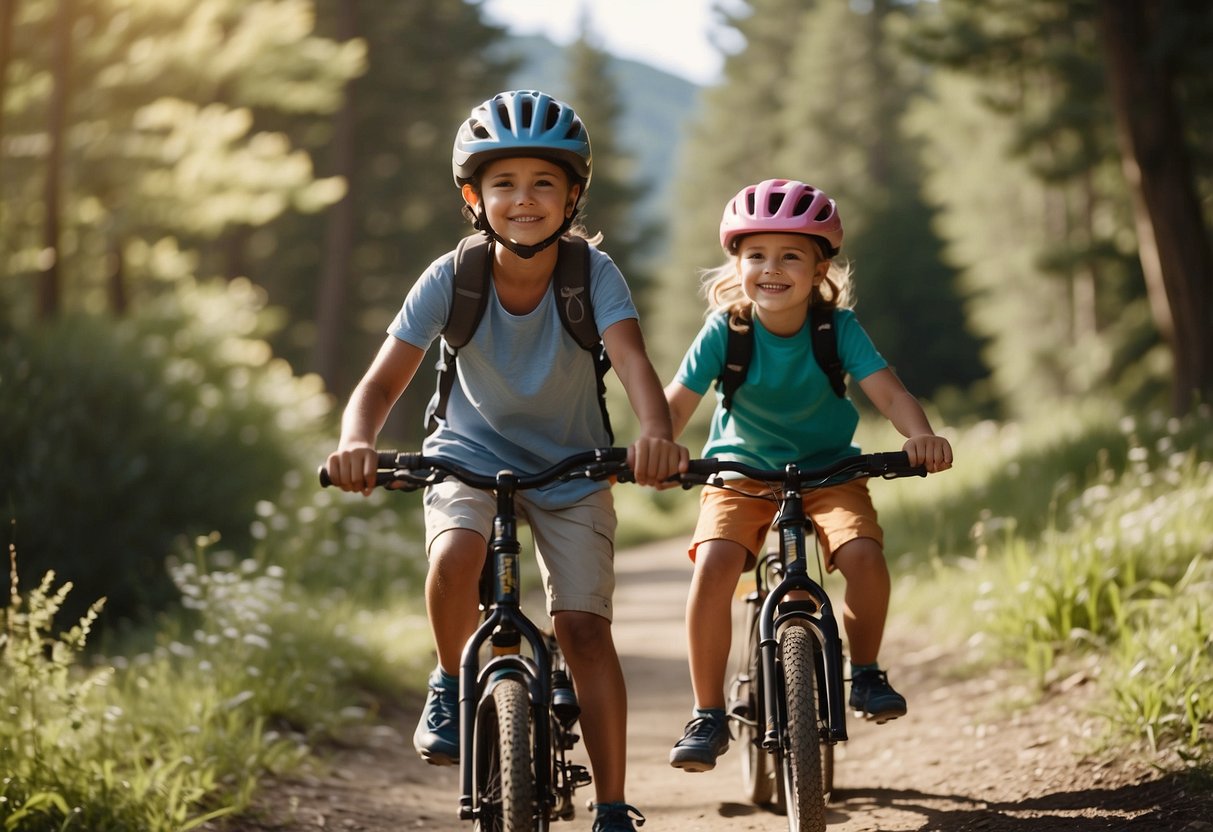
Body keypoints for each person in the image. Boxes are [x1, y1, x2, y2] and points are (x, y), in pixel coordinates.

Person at [325, 90, 685, 832]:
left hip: (574, 462)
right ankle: (447, 676)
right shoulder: (451, 278)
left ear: (572, 194)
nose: (524, 200)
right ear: (472, 195)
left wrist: (654, 434)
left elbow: (635, 367)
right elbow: (380, 383)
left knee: (582, 628)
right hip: (466, 453)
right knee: (455, 553)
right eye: (504, 184)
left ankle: (613, 805)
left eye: (543, 183)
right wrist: (357, 441)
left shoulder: (593, 275)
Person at [662, 178, 953, 772]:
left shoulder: (836, 330)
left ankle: (866, 671)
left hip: (829, 471)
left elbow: (890, 394)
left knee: (864, 557)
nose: (771, 269)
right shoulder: (727, 331)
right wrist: (654, 446)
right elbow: (674, 406)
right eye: (756, 256)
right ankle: (707, 712)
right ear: (736, 263)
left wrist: (918, 435)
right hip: (739, 472)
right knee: (715, 567)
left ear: (820, 266)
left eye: (790, 255)